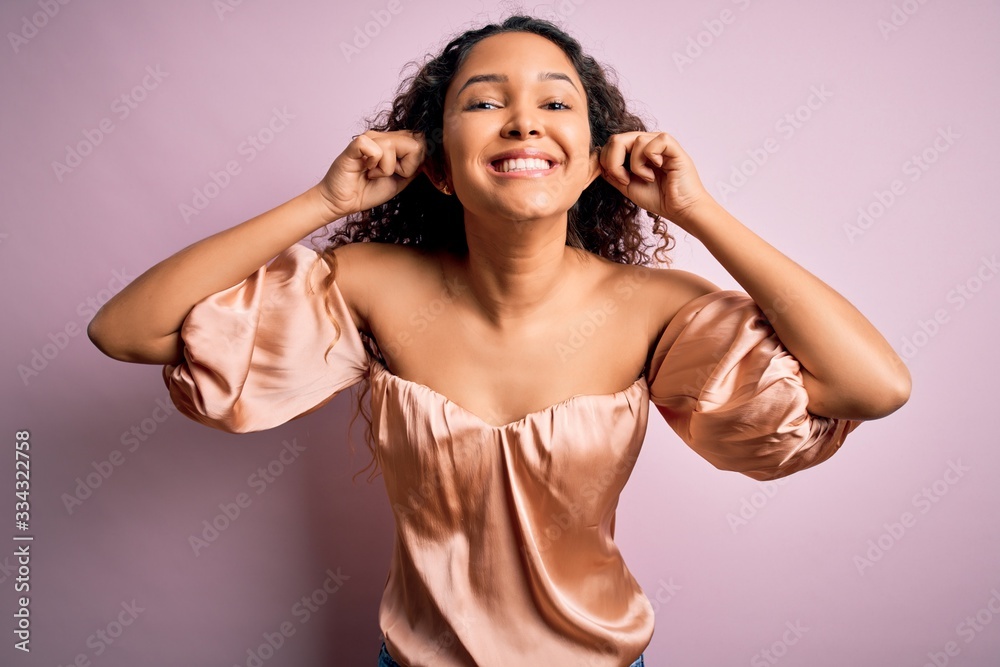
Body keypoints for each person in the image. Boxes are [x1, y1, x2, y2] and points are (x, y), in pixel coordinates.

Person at [87, 14, 911, 667]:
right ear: (440, 164)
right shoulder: (372, 283)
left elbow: (875, 385)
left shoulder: (654, 306)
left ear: (594, 163)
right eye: (484, 102)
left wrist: (696, 211)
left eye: (557, 104)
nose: (523, 121)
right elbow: (126, 330)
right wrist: (322, 199)